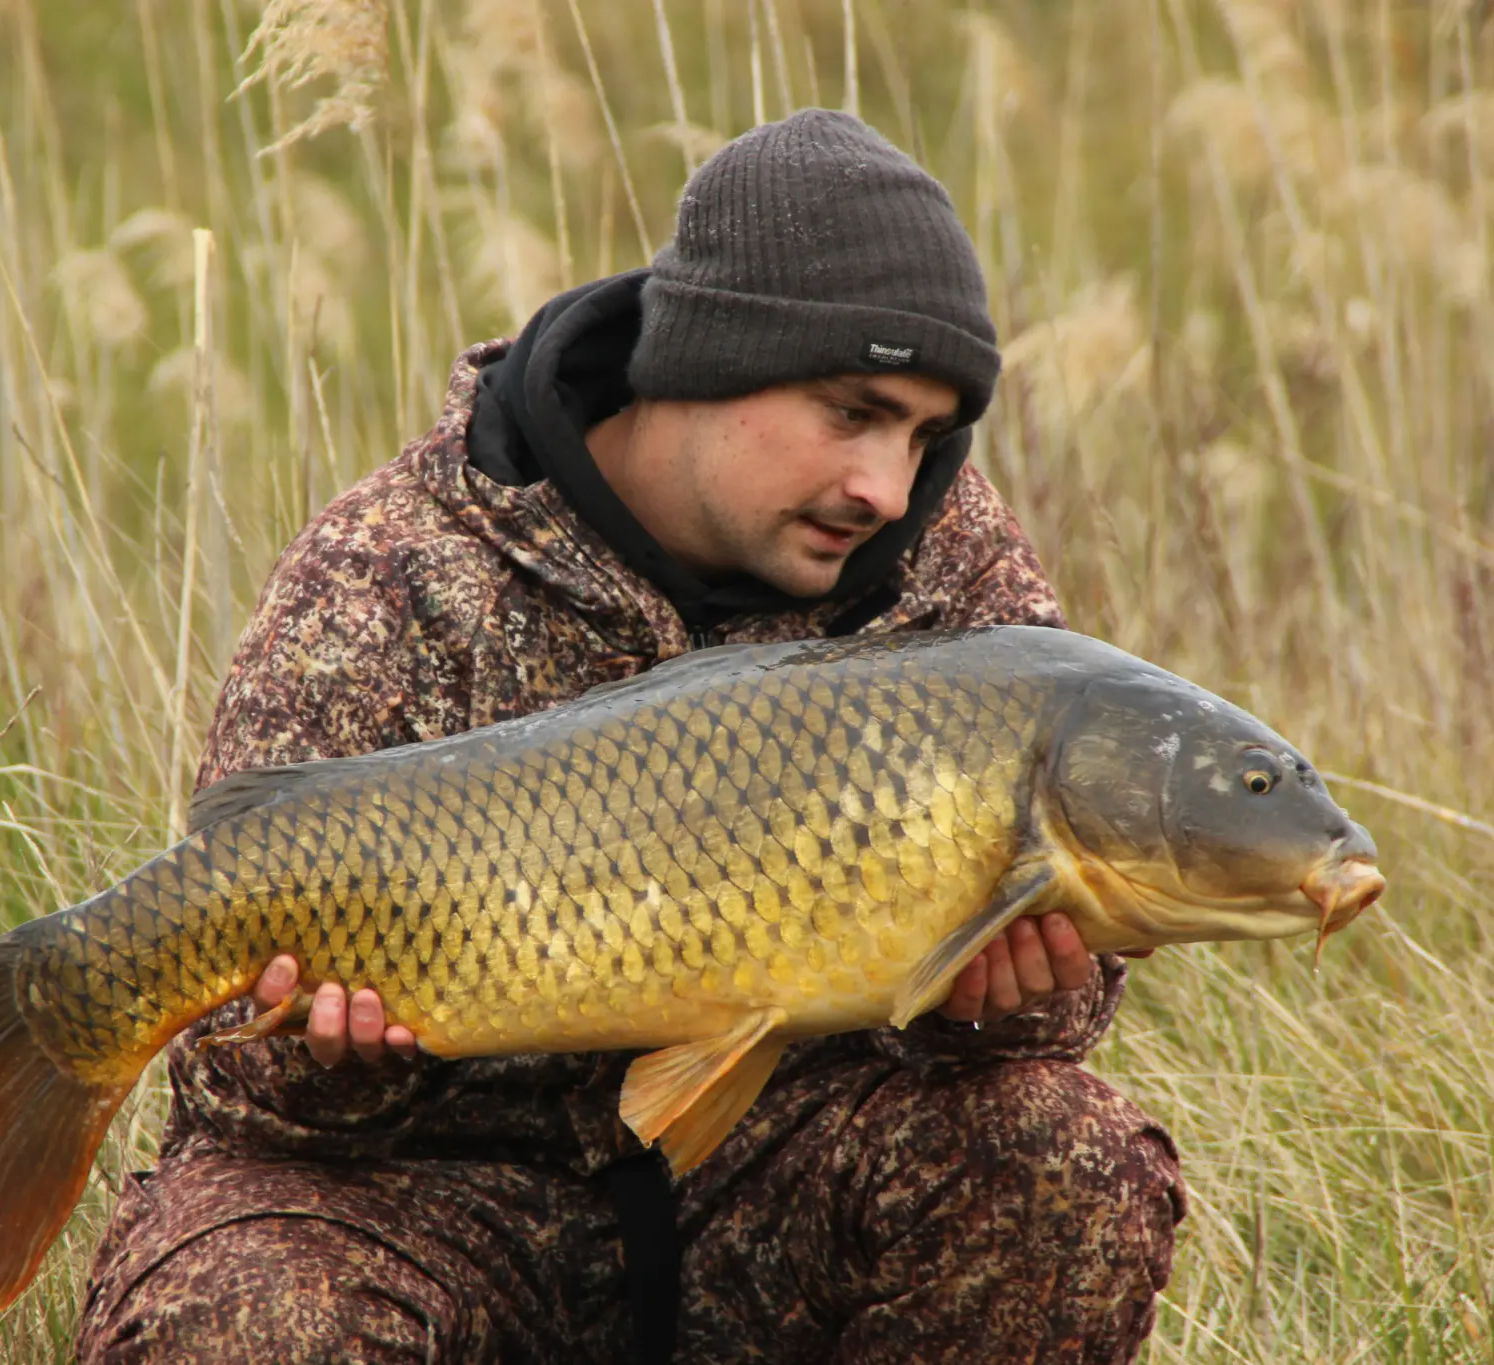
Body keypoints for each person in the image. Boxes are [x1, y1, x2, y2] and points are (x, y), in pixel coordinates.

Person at [76, 109, 1186, 1365]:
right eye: (852, 412)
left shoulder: (941, 569)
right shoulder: (395, 565)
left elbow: (1057, 1008)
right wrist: (334, 1061)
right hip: (427, 1192)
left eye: (924, 436)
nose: (885, 485)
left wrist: (992, 1005)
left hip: (765, 1177)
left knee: (1061, 1155)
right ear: (707, 360)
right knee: (251, 1325)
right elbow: (238, 1096)